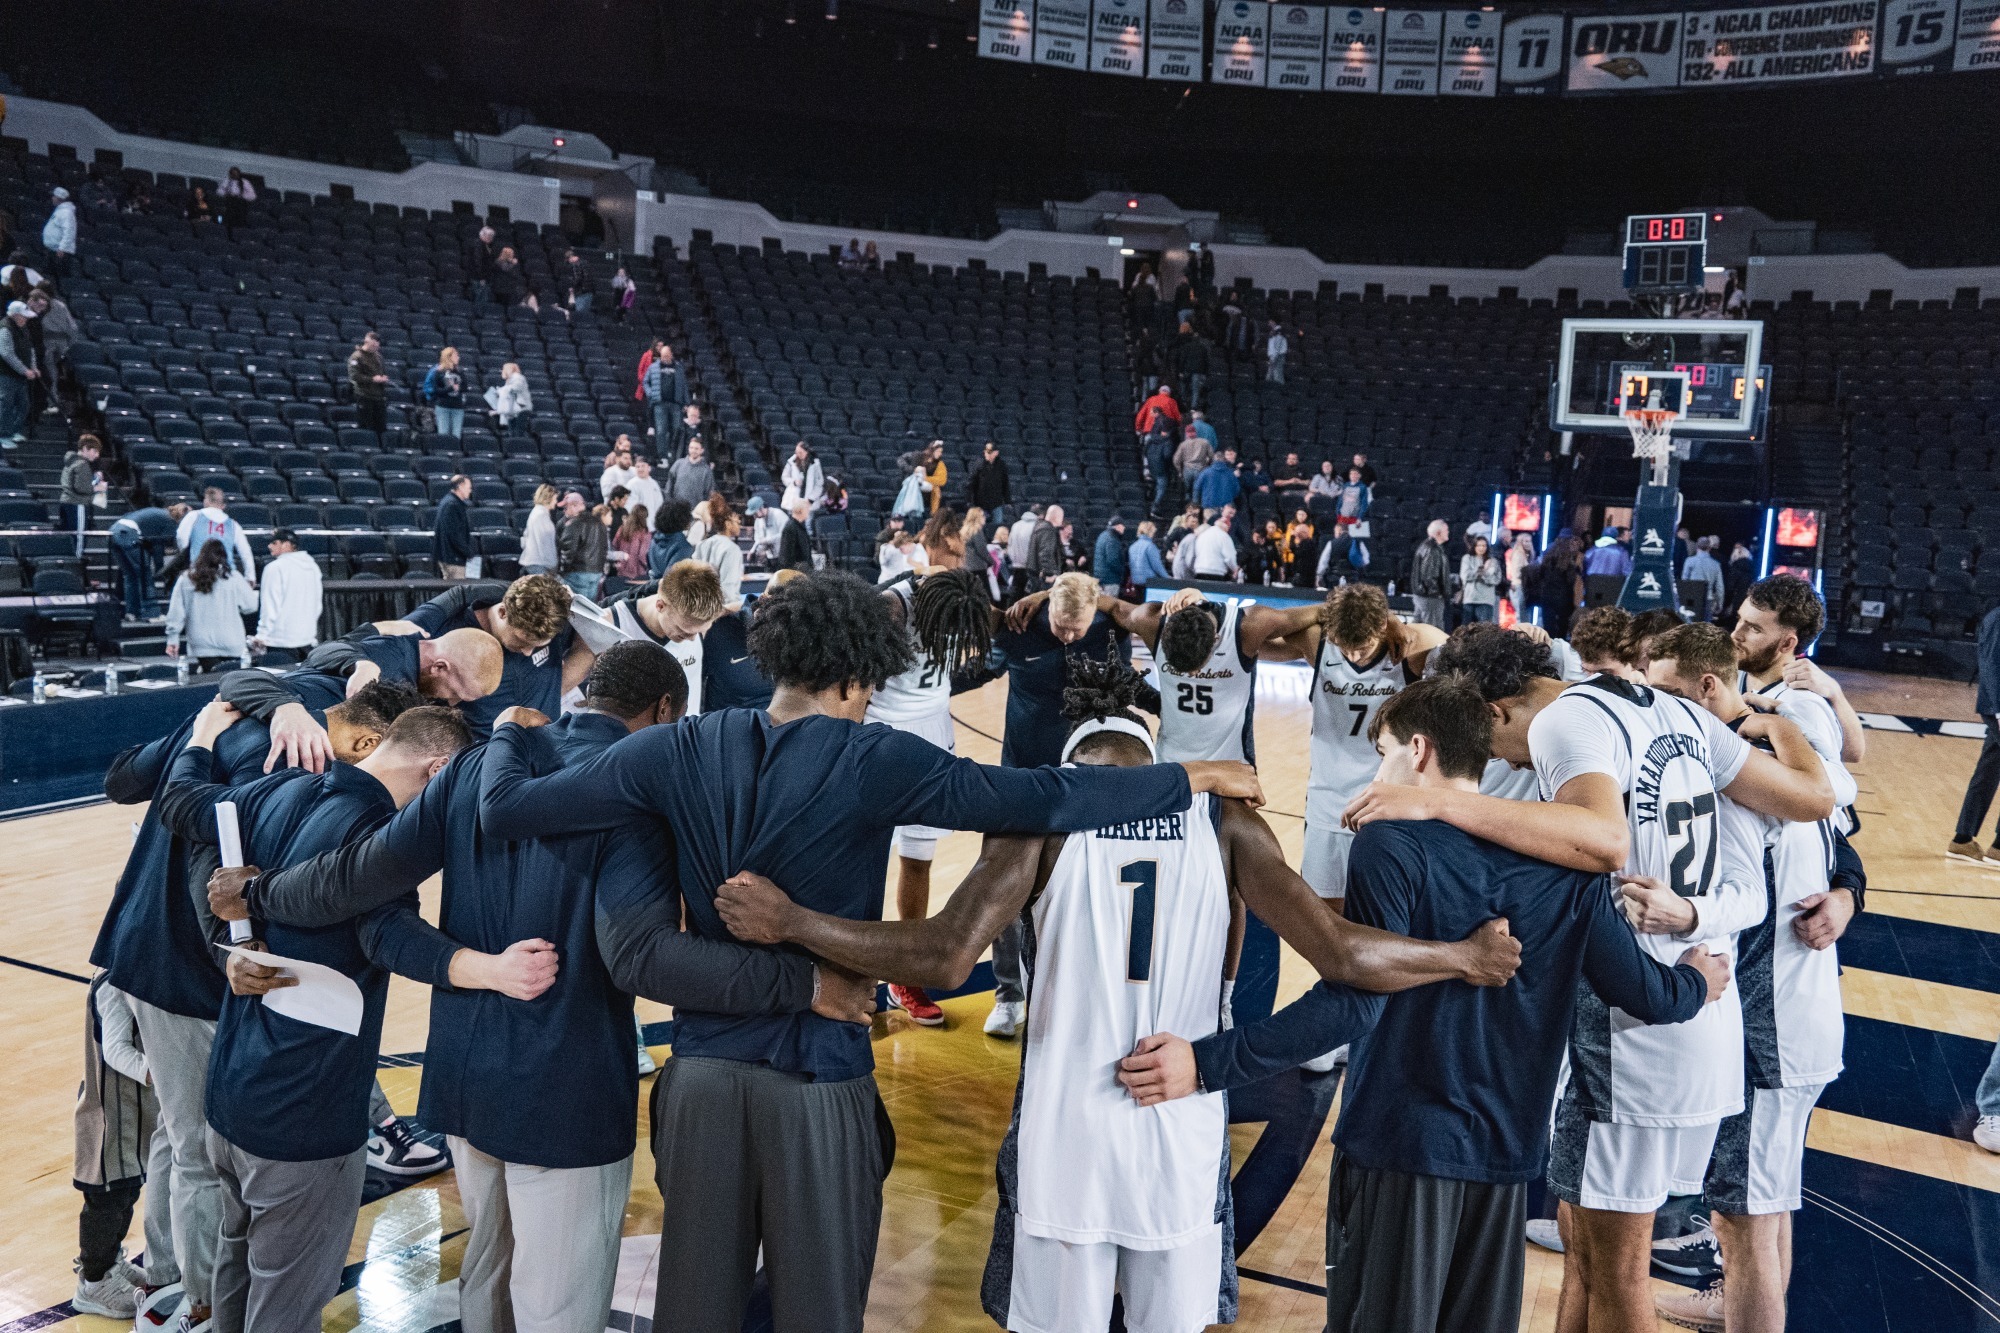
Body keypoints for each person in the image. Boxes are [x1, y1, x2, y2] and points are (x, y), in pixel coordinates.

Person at [472, 571, 1264, 1333]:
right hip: (819, 1078)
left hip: (702, 1078)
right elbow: (1045, 795)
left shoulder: (674, 747)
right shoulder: (876, 757)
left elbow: (507, 809)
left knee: (693, 1309)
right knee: (821, 1309)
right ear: (857, 678)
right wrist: (1186, 775)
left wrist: (510, 727)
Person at [712, 660, 1522, 1333]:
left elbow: (946, 955)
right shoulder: (1225, 821)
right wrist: (1463, 955)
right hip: (1177, 1137)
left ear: (1077, 760)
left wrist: (793, 919)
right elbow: (1344, 952)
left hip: (1066, 1145)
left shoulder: (1042, 822)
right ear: (1154, 749)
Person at [206, 642, 864, 1333]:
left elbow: (353, 882)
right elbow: (644, 960)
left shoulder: (473, 766)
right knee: (557, 1311)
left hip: (462, 1082)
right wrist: (804, 980)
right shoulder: (637, 794)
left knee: (485, 1283)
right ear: (665, 709)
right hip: (564, 1090)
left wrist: (260, 892)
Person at [1125, 675, 1724, 1333]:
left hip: (1398, 1150)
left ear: (1416, 749)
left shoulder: (1391, 842)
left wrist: (1206, 1064)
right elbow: (1649, 995)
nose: (1376, 770)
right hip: (1507, 1159)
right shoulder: (1569, 866)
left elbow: (1351, 1006)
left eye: (1380, 750)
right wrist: (1698, 978)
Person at [1344, 624, 1835, 1333]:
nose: (1494, 760)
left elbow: (1603, 839)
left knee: (1615, 1271)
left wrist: (1438, 800)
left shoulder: (1565, 721)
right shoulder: (1679, 712)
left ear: (1494, 709)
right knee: (1586, 1254)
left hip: (1635, 1027)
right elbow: (1813, 799)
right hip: (1700, 1018)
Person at [153, 702, 527, 1333]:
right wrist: (489, 969)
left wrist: (224, 938)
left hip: (229, 1097)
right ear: (440, 771)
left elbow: (188, 810)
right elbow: (389, 934)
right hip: (303, 1113)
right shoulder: (377, 835)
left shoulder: (279, 791)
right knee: (287, 1307)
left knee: (238, 1276)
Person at [1644, 623, 1859, 1333]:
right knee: (1764, 1207)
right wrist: (1846, 893)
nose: (1662, 711)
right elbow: (1841, 812)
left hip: (1773, 1028)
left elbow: (1759, 890)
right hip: (1796, 1018)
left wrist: (1682, 914)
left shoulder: (1746, 765)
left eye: (1671, 693)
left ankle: (1749, 1312)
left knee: (1743, 1218)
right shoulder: (1788, 743)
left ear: (1708, 687)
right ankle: (1738, 1306)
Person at [865, 514, 993, 1027]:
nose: (962, 561)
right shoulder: (892, 602)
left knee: (918, 858)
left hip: (932, 731)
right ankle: (853, 971)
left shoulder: (962, 600)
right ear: (934, 546)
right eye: (957, 553)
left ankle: (903, 977)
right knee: (864, 857)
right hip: (879, 732)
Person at [70, 971, 174, 1321]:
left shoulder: (130, 970)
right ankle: (93, 1281)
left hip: (130, 1112)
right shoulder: (114, 982)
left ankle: (110, 1261)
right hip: (108, 1116)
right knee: (105, 1200)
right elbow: (116, 1050)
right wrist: (166, 1074)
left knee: (125, 1192)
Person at [1734, 573, 1865, 766]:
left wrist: (1836, 694)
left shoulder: (1803, 705)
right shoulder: (1729, 673)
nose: (1736, 634)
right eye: (1739, 619)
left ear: (1787, 644)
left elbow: (1828, 785)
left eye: (1754, 629)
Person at [603, 561, 727, 717]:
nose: (692, 639)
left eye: (701, 631)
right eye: (683, 631)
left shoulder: (700, 620)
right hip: (635, 739)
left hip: (685, 736)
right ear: (660, 606)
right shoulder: (612, 623)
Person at [165, 539, 259, 671]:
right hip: (231, 640)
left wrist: (172, 638)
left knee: (211, 678)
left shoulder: (186, 578)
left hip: (201, 642)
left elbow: (176, 612)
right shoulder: (234, 577)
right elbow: (251, 606)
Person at [253, 529, 322, 666]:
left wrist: (262, 635)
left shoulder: (274, 568)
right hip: (307, 640)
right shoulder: (313, 567)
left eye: (274, 542)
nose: (269, 546)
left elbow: (271, 605)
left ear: (286, 544)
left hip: (280, 642)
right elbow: (317, 604)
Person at [110, 502, 184, 620]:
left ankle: (132, 612)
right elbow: (158, 546)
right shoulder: (171, 521)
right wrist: (161, 570)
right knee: (145, 577)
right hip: (128, 533)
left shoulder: (159, 513)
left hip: (113, 532)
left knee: (130, 576)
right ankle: (152, 613)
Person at [693, 502, 746, 610]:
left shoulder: (702, 544)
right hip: (722, 610)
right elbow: (728, 587)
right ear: (727, 524)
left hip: (702, 605)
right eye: (737, 522)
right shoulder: (732, 549)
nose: (740, 524)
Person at [57, 433, 103, 556]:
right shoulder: (82, 464)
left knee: (68, 536)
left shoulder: (71, 461)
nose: (97, 455)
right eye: (95, 451)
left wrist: (93, 481)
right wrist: (97, 486)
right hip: (77, 504)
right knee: (79, 536)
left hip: (66, 502)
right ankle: (77, 562)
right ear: (85, 449)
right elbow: (81, 487)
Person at [558, 492, 609, 601]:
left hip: (578, 572)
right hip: (596, 572)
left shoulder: (574, 523)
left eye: (566, 507)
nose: (564, 511)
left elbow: (567, 550)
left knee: (577, 609)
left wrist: (563, 570)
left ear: (574, 506)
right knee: (589, 608)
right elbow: (605, 548)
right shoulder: (599, 522)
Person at [0, 299, 38, 445]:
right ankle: (3, 436)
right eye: (24, 316)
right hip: (6, 375)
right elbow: (6, 353)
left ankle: (12, 431)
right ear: (15, 315)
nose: (26, 319)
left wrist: (33, 367)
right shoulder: (5, 328)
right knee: (5, 406)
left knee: (23, 405)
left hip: (20, 376)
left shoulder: (23, 328)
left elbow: (30, 348)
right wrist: (25, 370)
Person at [643, 343, 689, 448]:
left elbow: (684, 385)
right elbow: (645, 382)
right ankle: (662, 455)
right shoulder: (653, 367)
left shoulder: (678, 368)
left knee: (677, 429)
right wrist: (650, 394)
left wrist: (686, 402)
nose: (665, 358)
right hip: (659, 403)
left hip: (676, 403)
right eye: (663, 356)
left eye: (667, 355)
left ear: (671, 355)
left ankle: (673, 452)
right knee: (660, 430)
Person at [1409, 520, 1452, 630]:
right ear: (1438, 533)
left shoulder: (1427, 547)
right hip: (1430, 597)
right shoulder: (1432, 550)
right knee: (1433, 631)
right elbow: (1429, 576)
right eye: (1446, 530)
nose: (1448, 532)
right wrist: (1437, 594)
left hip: (1424, 595)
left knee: (1417, 627)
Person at [428, 474, 473, 579]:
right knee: (457, 592)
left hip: (449, 556)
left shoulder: (449, 501)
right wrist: (468, 552)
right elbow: (454, 534)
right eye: (469, 488)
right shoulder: (452, 505)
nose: (470, 491)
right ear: (460, 486)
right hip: (453, 558)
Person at [345, 331, 390, 436]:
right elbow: (354, 376)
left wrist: (383, 378)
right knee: (366, 427)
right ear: (366, 342)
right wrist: (372, 379)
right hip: (364, 395)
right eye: (373, 344)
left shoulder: (378, 357)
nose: (375, 347)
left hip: (378, 396)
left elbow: (382, 371)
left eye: (377, 345)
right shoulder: (356, 357)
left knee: (381, 427)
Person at [422, 348, 467, 439]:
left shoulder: (460, 372)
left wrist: (459, 388)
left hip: (458, 407)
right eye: (456, 355)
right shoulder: (438, 372)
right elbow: (436, 390)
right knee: (443, 435)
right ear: (449, 357)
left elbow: (465, 388)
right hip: (443, 407)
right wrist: (451, 388)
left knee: (456, 436)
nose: (458, 357)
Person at [1460, 534, 1502, 624]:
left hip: (1486, 600)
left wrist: (1483, 576)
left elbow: (1496, 579)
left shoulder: (1493, 561)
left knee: (1484, 630)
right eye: (1479, 545)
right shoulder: (1467, 558)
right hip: (1470, 598)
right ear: (1474, 546)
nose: (1481, 548)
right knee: (1467, 629)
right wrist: (1482, 569)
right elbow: (1465, 575)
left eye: (1484, 545)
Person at [1682, 535, 1725, 621]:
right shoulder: (1716, 564)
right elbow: (1720, 586)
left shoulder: (1689, 561)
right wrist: (1720, 603)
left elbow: (1684, 582)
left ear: (1697, 546)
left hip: (1692, 599)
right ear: (1709, 548)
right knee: (1705, 627)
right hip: (1708, 599)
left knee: (1690, 625)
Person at [610, 504, 654, 589]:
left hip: (620, 569)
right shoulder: (644, 533)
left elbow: (614, 545)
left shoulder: (622, 528)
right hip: (636, 573)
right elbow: (642, 556)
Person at [968, 441, 1011, 525]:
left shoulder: (1001, 465)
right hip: (981, 502)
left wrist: (1007, 501)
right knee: (980, 525)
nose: (986, 454)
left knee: (997, 525)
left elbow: (1005, 484)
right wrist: (969, 500)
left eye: (989, 452)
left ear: (996, 453)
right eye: (986, 452)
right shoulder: (978, 464)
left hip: (996, 502)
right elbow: (971, 483)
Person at [520, 484, 560, 575]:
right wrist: (552, 564)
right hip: (539, 563)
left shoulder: (538, 512)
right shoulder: (541, 515)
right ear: (548, 498)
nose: (556, 502)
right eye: (555, 498)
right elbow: (545, 542)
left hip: (536, 562)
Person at [1189, 510, 1240, 580]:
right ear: (1227, 527)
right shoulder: (1224, 536)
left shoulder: (1203, 534)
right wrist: (1234, 569)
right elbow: (1230, 557)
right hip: (1216, 572)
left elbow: (1195, 552)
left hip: (1199, 570)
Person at [42, 186, 78, 278]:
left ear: (59, 198)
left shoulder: (66, 212)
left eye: (54, 196)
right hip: (54, 251)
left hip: (60, 253)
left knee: (59, 277)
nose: (52, 198)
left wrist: (62, 248)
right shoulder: (60, 210)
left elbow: (69, 232)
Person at [1192, 446, 1241, 513]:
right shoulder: (1231, 473)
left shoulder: (1205, 472)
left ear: (1213, 460)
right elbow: (1236, 490)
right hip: (1226, 507)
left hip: (1209, 506)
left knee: (1209, 523)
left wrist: (1196, 503)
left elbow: (1197, 488)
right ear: (1224, 460)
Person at [780, 441, 823, 515]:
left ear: (807, 452)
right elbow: (784, 477)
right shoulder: (791, 461)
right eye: (797, 452)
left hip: (808, 499)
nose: (798, 454)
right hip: (794, 497)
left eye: (801, 452)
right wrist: (794, 482)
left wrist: (811, 499)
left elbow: (819, 483)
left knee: (807, 524)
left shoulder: (815, 464)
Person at [1091, 516, 1129, 596]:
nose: (1124, 528)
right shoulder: (1112, 539)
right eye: (1123, 526)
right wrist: (1122, 571)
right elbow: (1112, 560)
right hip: (1110, 580)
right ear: (1118, 526)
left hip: (1100, 578)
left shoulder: (1103, 535)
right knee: (1110, 606)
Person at [490, 362, 532, 434]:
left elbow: (515, 388)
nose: (502, 371)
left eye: (504, 369)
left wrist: (501, 390)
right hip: (513, 410)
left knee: (518, 432)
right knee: (512, 432)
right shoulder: (510, 379)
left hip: (521, 409)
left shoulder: (518, 377)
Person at [1127, 519, 1167, 588]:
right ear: (1150, 531)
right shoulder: (1150, 546)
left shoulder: (1132, 546)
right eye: (1153, 532)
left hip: (1136, 581)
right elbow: (1156, 566)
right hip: (1149, 582)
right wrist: (1167, 577)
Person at [777, 500, 814, 571]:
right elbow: (786, 555)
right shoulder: (790, 528)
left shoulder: (800, 526)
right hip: (795, 572)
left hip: (803, 570)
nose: (809, 512)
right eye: (807, 509)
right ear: (800, 510)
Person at [219, 167, 256, 239]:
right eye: (233, 174)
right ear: (230, 174)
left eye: (236, 174)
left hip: (240, 205)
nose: (235, 175)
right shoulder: (227, 182)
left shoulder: (245, 182)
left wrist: (241, 196)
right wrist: (226, 194)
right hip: (229, 204)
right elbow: (219, 191)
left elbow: (253, 196)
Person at [1506, 532, 1535, 622]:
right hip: (1518, 586)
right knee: (1521, 615)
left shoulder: (1528, 555)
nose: (1528, 543)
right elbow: (1517, 572)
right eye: (1525, 541)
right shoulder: (1518, 554)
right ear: (1520, 543)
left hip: (1525, 587)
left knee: (1525, 615)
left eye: (1529, 541)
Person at [557, 248, 593, 313]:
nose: (569, 262)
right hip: (589, 290)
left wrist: (572, 287)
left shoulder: (576, 264)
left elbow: (578, 278)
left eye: (568, 260)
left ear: (570, 258)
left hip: (581, 291)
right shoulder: (585, 262)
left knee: (580, 313)